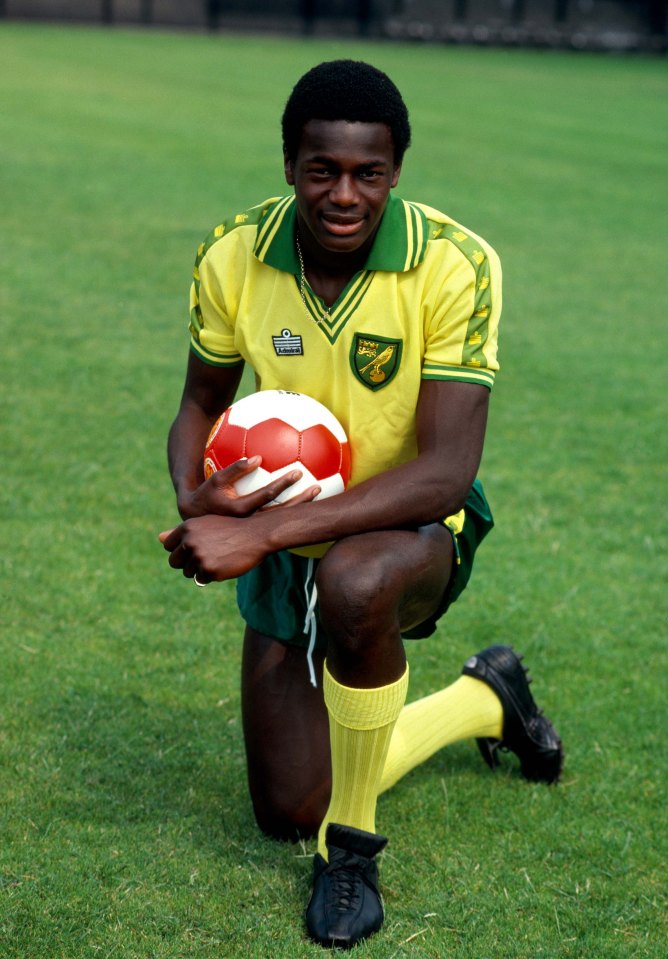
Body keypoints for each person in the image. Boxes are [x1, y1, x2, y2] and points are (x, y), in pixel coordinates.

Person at [160, 59, 563, 949]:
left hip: (409, 527)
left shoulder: (455, 263)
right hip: (286, 538)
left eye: (368, 173)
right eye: (322, 170)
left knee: (353, 582)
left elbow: (447, 471)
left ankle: (351, 853)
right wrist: (199, 503)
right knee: (284, 808)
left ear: (396, 170)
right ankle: (483, 700)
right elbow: (199, 404)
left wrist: (258, 529)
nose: (345, 194)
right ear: (289, 163)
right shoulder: (234, 252)